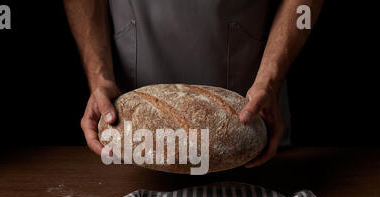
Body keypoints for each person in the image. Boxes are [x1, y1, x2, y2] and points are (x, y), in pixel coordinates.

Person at [63, 0, 323, 167]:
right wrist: (99, 77)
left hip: (252, 102)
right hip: (127, 122)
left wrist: (271, 77)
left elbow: (305, 7)